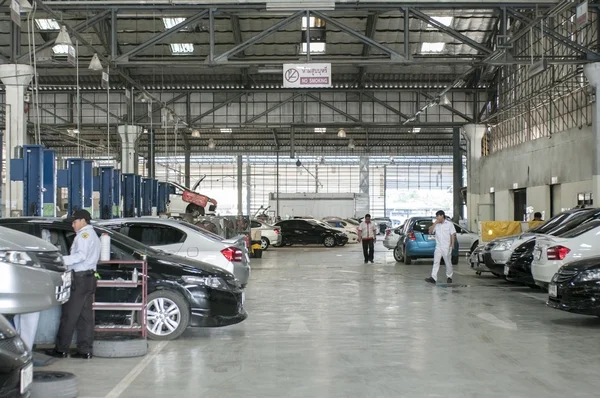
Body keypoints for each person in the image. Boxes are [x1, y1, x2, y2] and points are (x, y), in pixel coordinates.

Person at [46, 210, 101, 359]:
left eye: (74, 221)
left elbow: (81, 256)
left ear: (83, 220)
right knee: (85, 317)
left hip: (80, 279)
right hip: (89, 279)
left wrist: (61, 260)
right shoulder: (93, 235)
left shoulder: (83, 235)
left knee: (69, 315)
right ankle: (85, 350)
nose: (73, 224)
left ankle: (61, 349)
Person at [425, 210, 456, 285]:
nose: (437, 218)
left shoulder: (449, 224)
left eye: (438, 217)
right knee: (436, 261)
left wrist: (452, 244)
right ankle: (433, 277)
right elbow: (430, 231)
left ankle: (449, 276)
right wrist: (435, 223)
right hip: (438, 246)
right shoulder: (437, 225)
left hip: (446, 246)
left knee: (447, 262)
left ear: (442, 216)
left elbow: (452, 234)